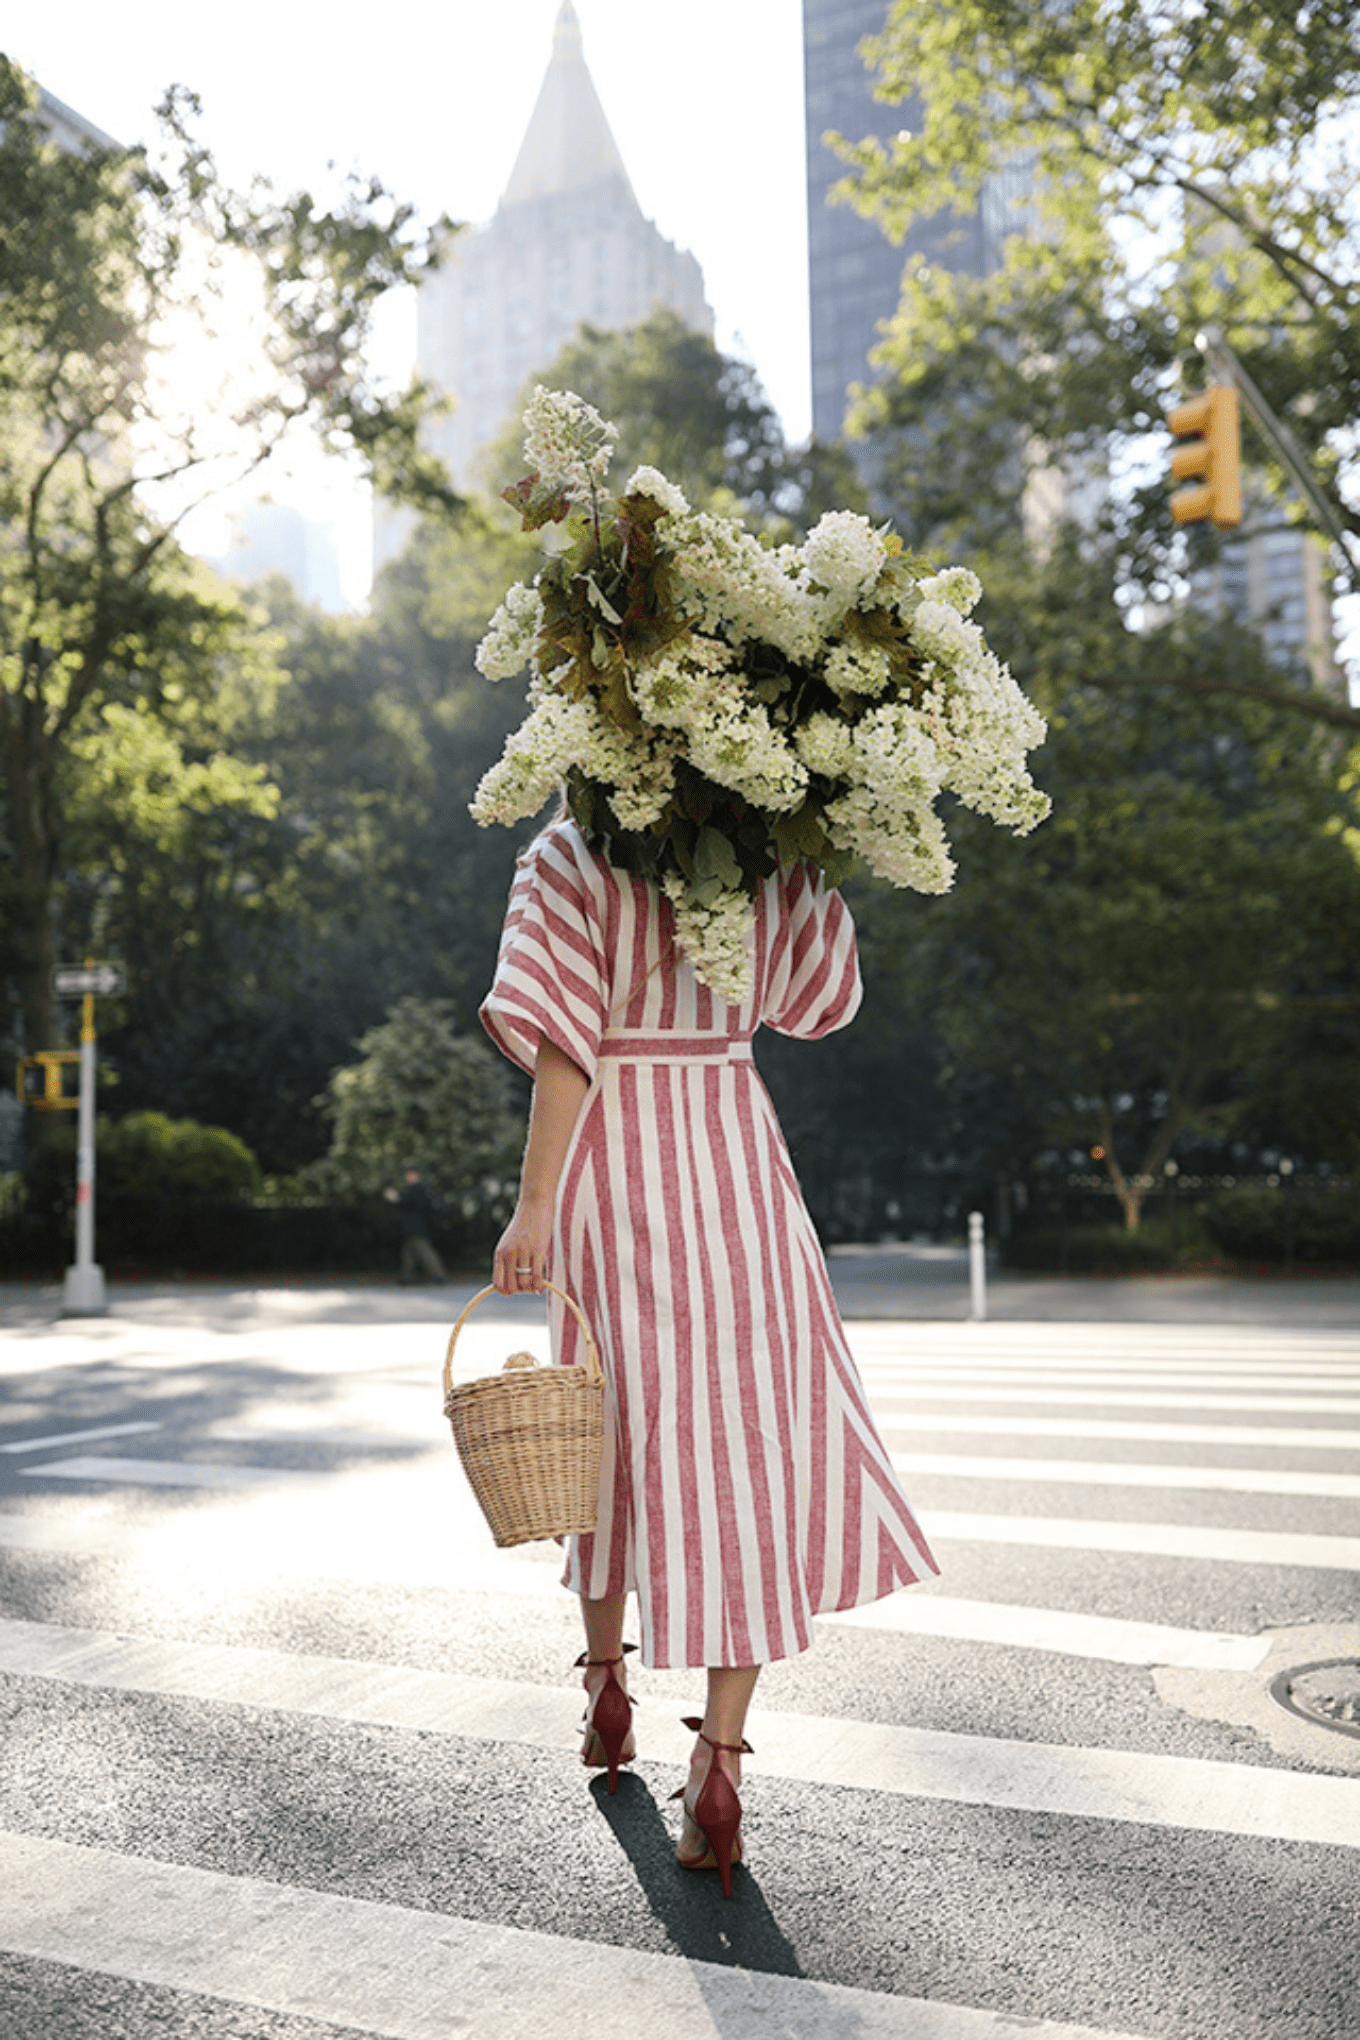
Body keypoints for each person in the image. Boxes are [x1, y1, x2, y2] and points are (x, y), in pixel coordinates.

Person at [480, 816, 937, 1896]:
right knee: (742, 1449)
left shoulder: (571, 852)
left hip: (614, 1164)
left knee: (601, 1427)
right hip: (733, 1158)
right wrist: (816, 841)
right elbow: (817, 1004)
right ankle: (719, 1763)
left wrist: (531, 1208)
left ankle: (605, 1683)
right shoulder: (773, 846)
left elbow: (560, 1039)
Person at [385, 1167, 448, 1284]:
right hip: (415, 1227)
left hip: (417, 1227)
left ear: (415, 1175)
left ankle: (439, 1276)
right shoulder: (423, 1188)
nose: (407, 1177)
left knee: (424, 1251)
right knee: (409, 1253)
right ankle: (405, 1277)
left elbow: (409, 1203)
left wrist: (395, 1198)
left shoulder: (418, 1188)